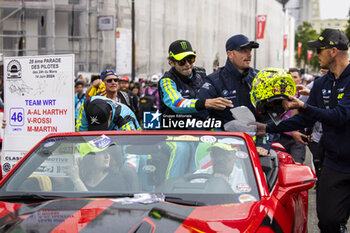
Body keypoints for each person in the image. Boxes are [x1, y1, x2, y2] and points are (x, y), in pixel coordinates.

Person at [251, 29, 350, 233]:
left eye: (319, 50)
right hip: (334, 162)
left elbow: (341, 116)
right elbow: (305, 118)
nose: (316, 55)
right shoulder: (321, 83)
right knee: (328, 220)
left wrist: (304, 106)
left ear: (333, 51)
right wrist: (267, 127)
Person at [197, 34, 269, 156]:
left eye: (250, 51)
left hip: (255, 149)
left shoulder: (259, 79)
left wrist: (263, 144)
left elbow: (270, 117)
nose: (249, 54)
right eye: (243, 51)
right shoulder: (214, 81)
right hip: (222, 149)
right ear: (230, 54)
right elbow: (200, 117)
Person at [158, 39, 232, 117]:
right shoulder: (167, 80)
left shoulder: (202, 73)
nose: (187, 64)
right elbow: (176, 103)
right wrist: (205, 103)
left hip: (200, 125)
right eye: (182, 62)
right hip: (175, 127)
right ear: (171, 62)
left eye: (190, 59)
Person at [65, 142, 138, 192]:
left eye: (108, 152)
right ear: (89, 157)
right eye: (101, 153)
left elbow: (92, 206)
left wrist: (76, 180)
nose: (107, 156)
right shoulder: (80, 175)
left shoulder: (116, 180)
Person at [276, 68, 307, 164]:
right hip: (282, 137)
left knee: (296, 166)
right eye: (290, 77)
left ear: (300, 80)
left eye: (295, 77)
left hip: (297, 139)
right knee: (281, 166)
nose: (292, 79)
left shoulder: (305, 97)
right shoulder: (280, 96)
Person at [75, 96, 141, 131]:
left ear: (110, 114)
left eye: (101, 127)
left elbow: (130, 149)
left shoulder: (125, 117)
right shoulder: (86, 105)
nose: (98, 133)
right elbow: (81, 133)